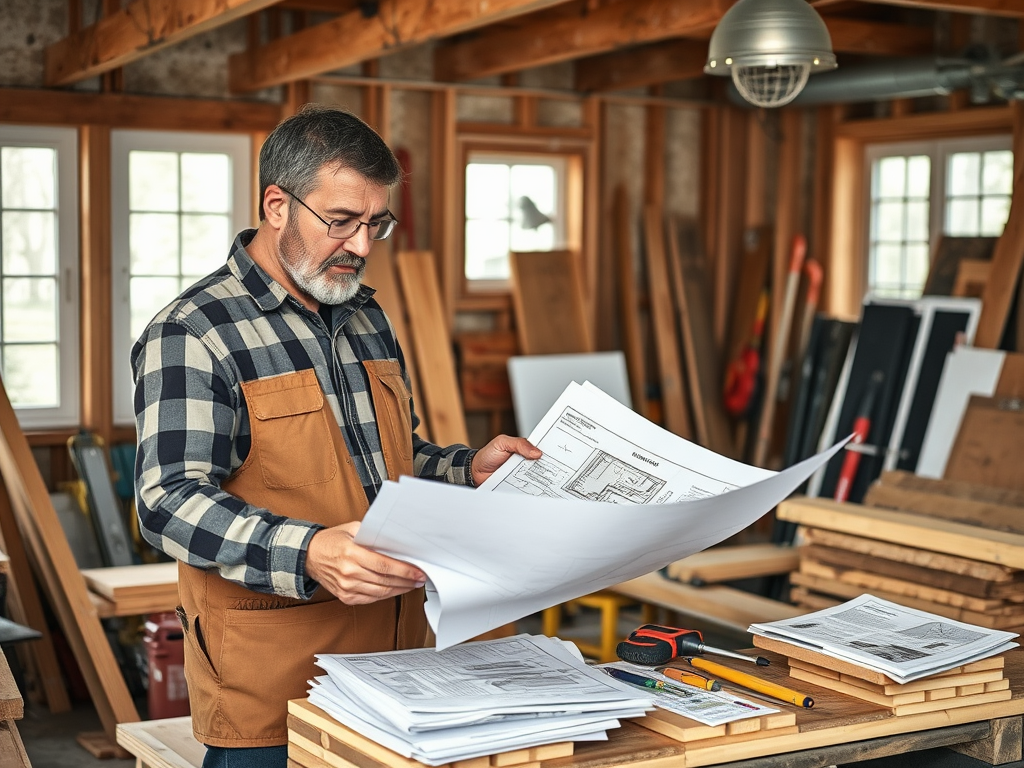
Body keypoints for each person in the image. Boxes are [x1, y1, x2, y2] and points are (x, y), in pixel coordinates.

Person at [132, 104, 542, 768]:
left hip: (403, 672)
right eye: (342, 221)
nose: (361, 244)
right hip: (274, 692)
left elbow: (393, 463)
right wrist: (309, 551)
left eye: (376, 223)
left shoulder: (365, 315)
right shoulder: (194, 332)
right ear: (276, 205)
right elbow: (168, 503)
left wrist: (467, 469)